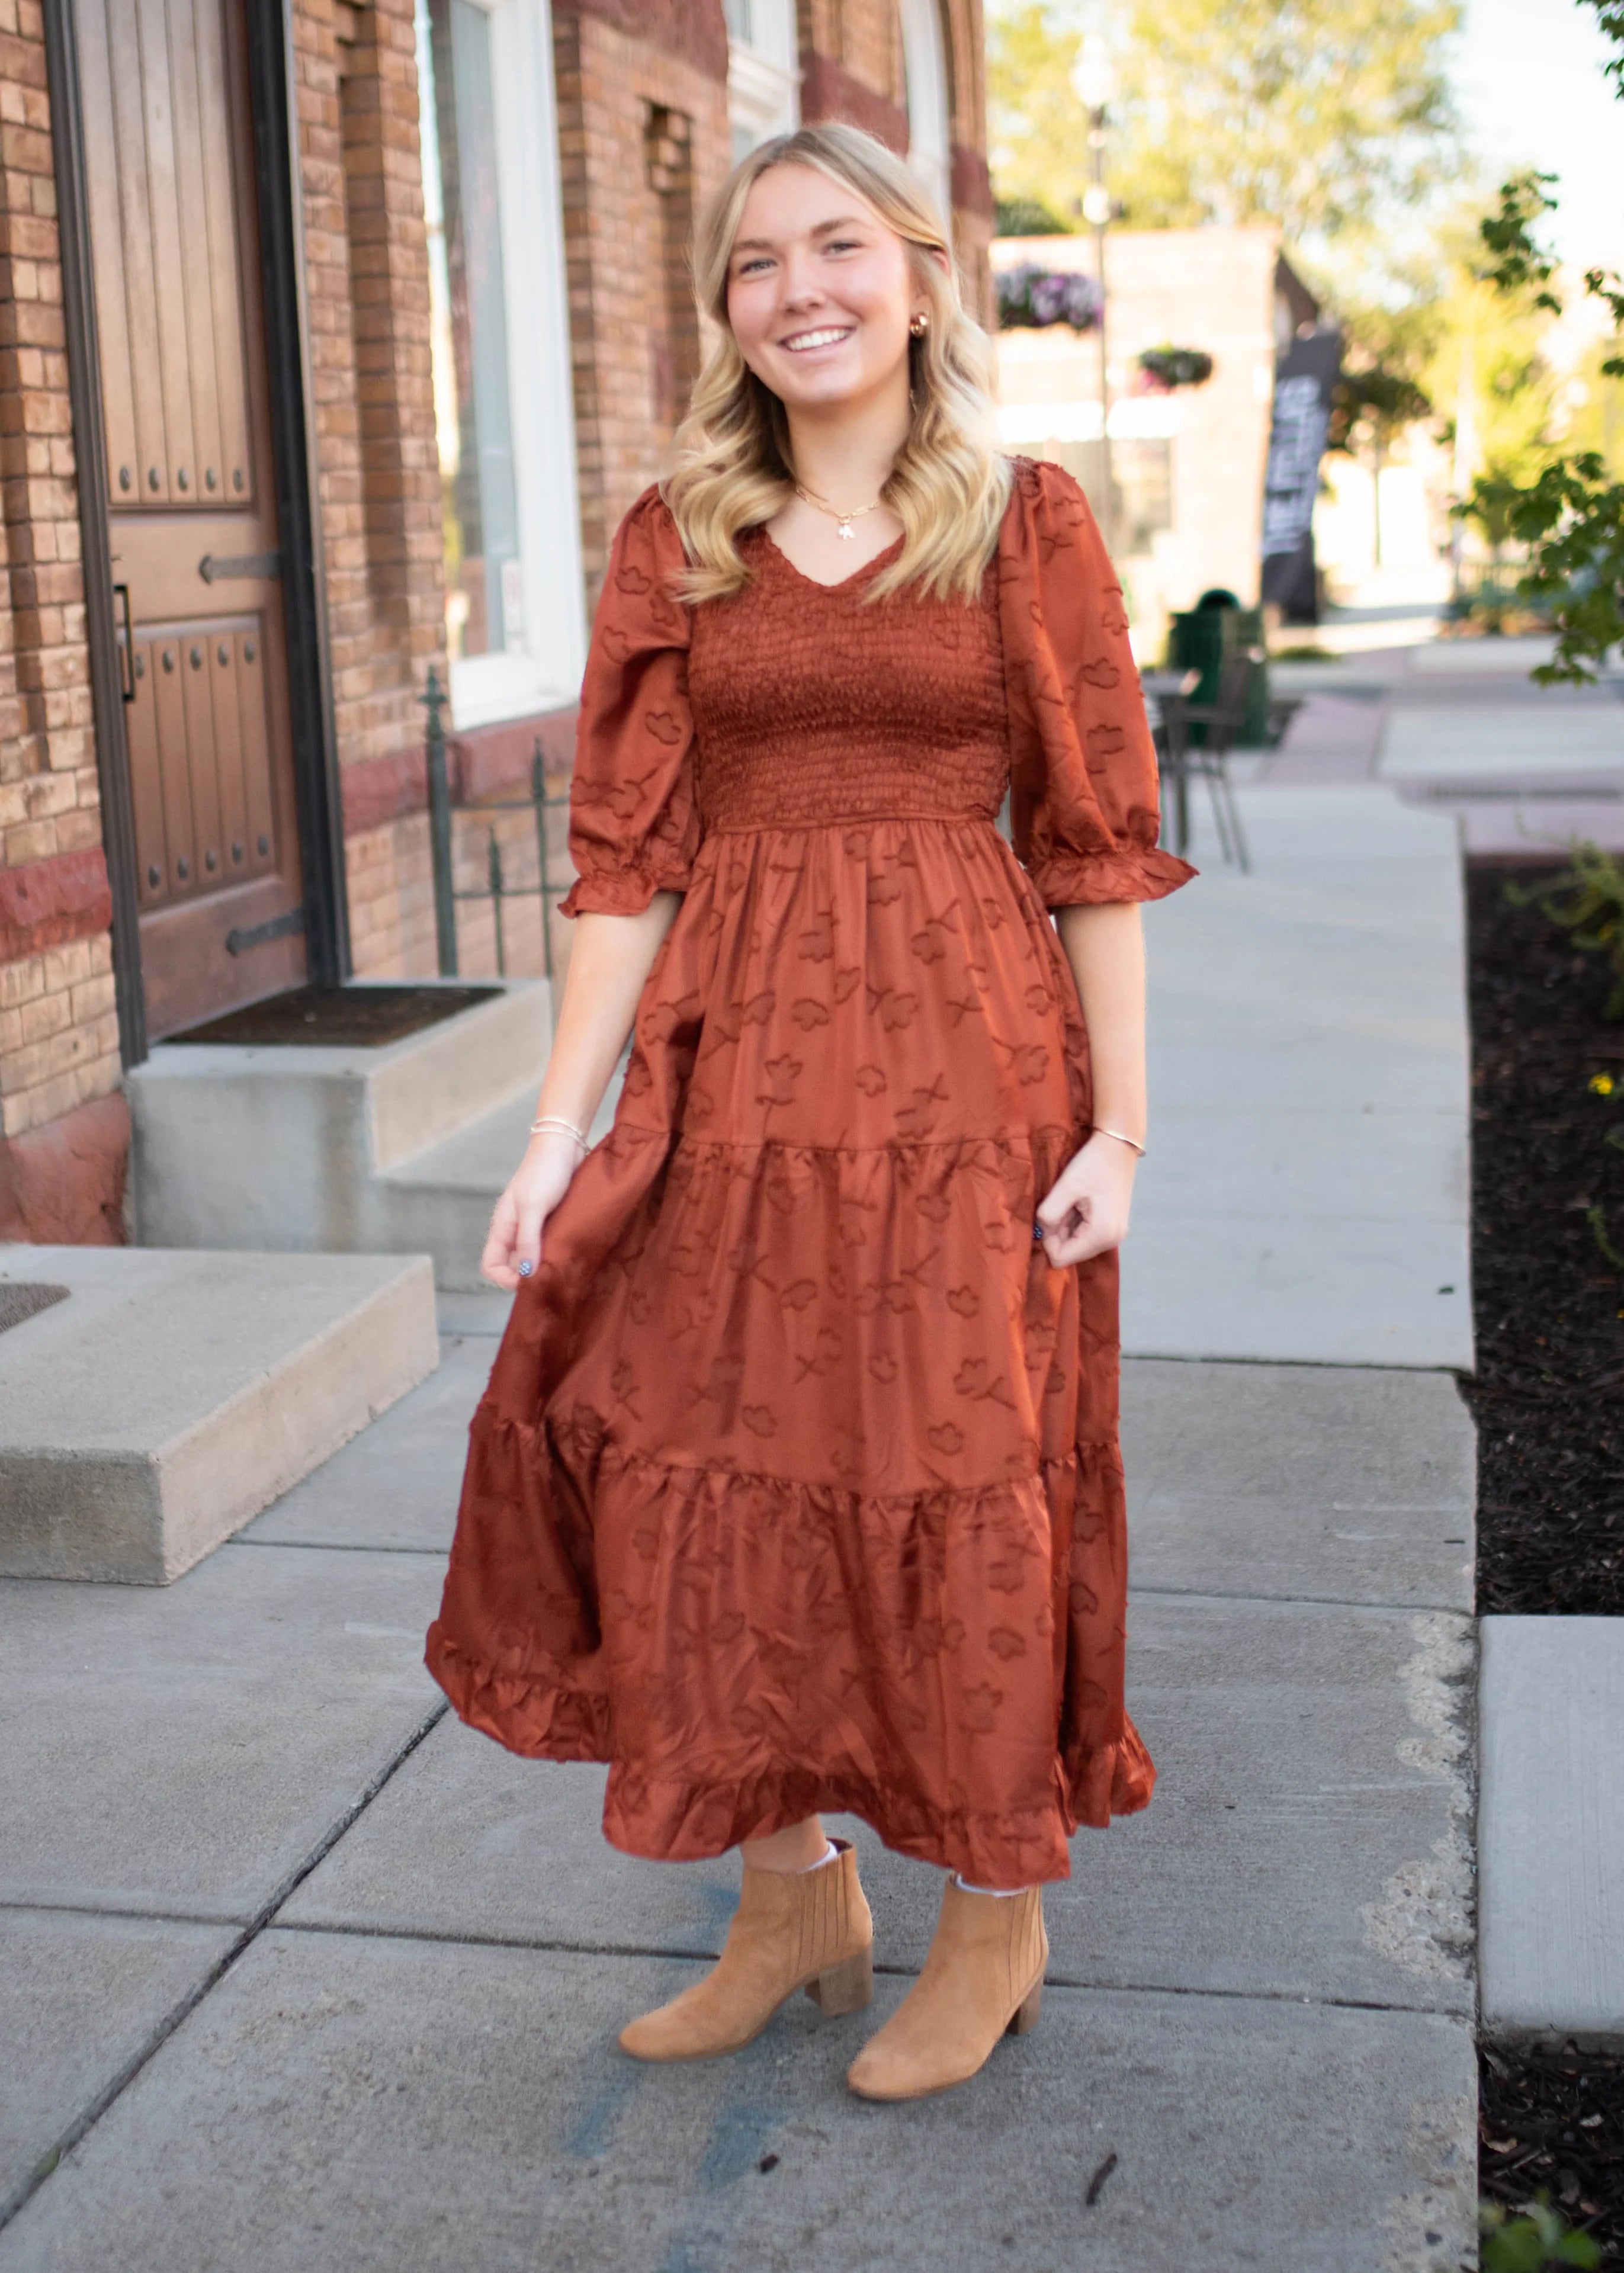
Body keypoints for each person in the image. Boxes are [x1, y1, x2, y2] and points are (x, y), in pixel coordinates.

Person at [425, 119, 1195, 2104]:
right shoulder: (678, 533)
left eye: (838, 246)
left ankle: (994, 1919)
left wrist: (1121, 1132)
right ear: (726, 310)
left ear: (921, 278)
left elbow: (1097, 845)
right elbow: (624, 870)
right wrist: (553, 1137)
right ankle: (791, 1904)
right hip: (733, 1073)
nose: (800, 292)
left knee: (960, 1468)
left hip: (969, 1077)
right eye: (757, 262)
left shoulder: (1022, 520)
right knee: (697, 1462)